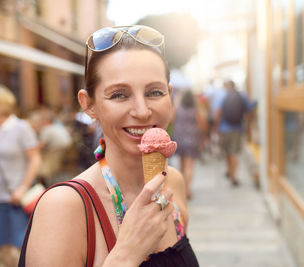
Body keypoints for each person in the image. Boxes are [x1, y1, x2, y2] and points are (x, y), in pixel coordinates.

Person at [19, 26, 199, 266]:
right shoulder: (64, 208)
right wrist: (125, 254)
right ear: (89, 104)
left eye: (155, 92)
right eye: (119, 95)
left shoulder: (173, 184)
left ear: (170, 95)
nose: (142, 111)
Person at [0, 85, 42, 266]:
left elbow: (35, 159)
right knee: (3, 249)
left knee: (19, 249)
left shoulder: (20, 127)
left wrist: (23, 187)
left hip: (15, 198)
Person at [214, 80, 256, 186]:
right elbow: (250, 109)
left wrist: (217, 128)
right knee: (234, 152)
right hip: (237, 129)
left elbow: (218, 113)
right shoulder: (242, 96)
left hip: (224, 128)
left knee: (227, 152)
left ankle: (230, 171)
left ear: (225, 86)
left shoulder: (222, 96)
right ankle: (233, 176)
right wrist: (248, 124)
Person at [172, 90, 205, 199]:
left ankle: (182, 188)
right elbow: (202, 125)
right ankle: (187, 190)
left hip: (179, 139)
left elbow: (171, 119)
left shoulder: (178, 108)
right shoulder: (196, 110)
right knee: (189, 166)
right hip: (192, 140)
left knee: (182, 165)